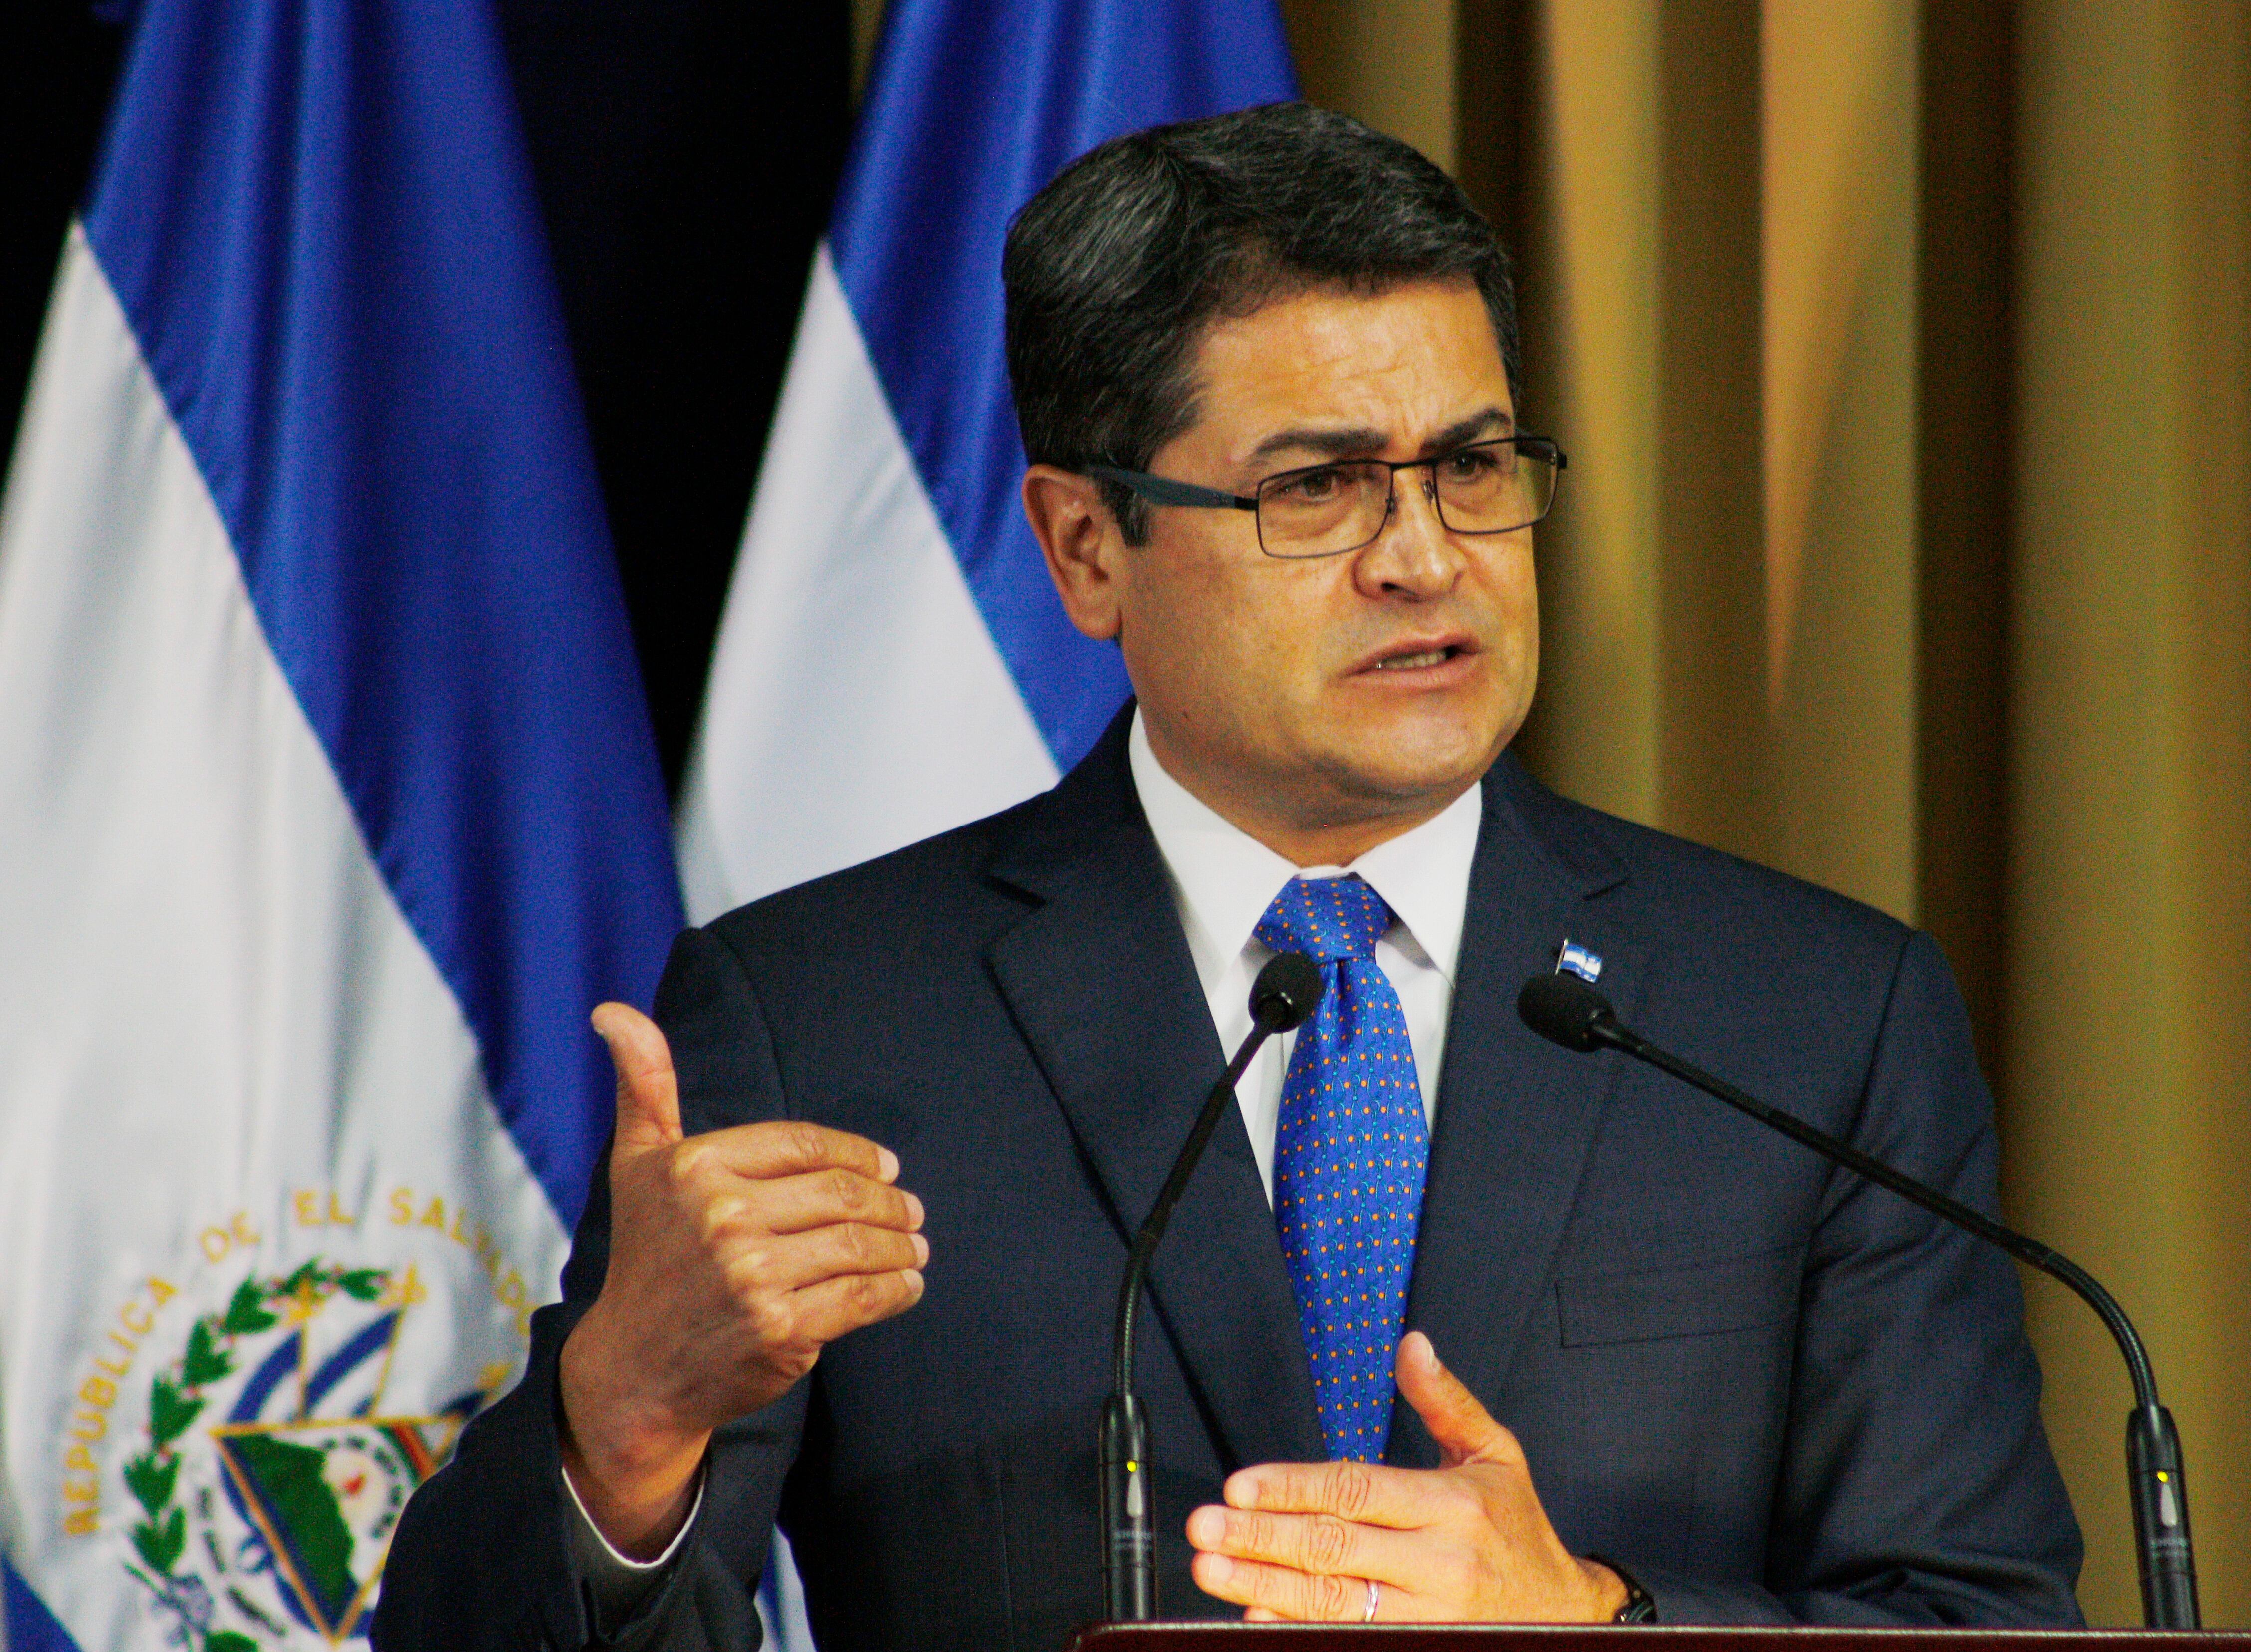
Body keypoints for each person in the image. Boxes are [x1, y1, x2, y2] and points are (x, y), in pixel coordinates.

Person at [374, 103, 2081, 1652]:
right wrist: (624, 1430)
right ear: (1086, 548)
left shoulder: (1809, 1020)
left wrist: (1596, 1622)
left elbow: (1984, 1622)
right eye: (1317, 488)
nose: (1425, 557)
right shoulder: (824, 1020)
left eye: (1472, 467)